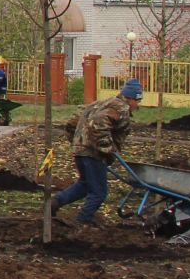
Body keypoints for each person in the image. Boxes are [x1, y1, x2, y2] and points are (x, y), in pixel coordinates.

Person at [52, 79, 140, 227]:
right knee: (99, 192)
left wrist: (77, 142)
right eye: (138, 100)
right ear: (130, 98)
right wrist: (106, 147)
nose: (138, 105)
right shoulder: (121, 108)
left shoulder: (101, 103)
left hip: (81, 150)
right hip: (94, 154)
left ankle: (54, 203)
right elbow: (100, 122)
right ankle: (82, 221)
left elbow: (73, 122)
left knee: (85, 184)